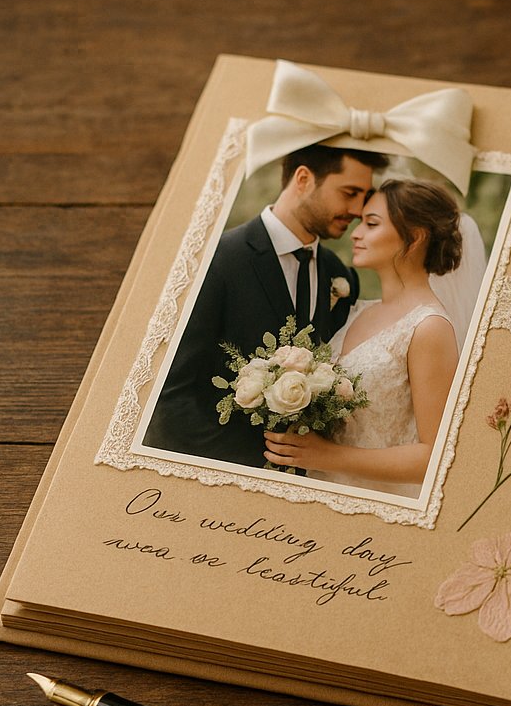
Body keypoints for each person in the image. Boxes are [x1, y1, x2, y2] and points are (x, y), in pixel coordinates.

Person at [143, 145, 388, 466]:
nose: (358, 209)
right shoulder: (215, 259)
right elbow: (167, 395)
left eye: (365, 196)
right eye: (350, 193)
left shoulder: (338, 275)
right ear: (303, 179)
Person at [262, 179, 462, 496]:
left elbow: (435, 456)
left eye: (371, 224)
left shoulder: (429, 327)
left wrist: (325, 456)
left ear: (415, 236)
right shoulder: (359, 310)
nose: (356, 233)